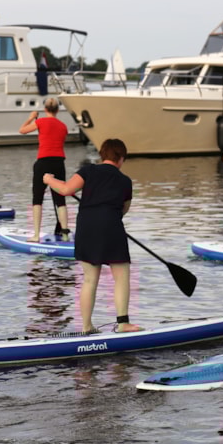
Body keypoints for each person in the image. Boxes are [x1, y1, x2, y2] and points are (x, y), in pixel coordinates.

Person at [43, 138, 141, 334]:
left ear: (102, 155)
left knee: (89, 279)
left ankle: (87, 327)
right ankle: (123, 324)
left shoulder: (88, 171)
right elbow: (124, 209)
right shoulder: (125, 181)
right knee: (121, 277)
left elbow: (65, 189)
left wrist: (48, 180)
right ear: (121, 158)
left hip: (87, 227)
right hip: (112, 226)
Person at [19, 97, 69, 242]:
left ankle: (36, 235)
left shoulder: (40, 122)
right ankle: (65, 234)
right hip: (59, 163)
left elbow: (22, 130)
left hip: (43, 162)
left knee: (37, 198)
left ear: (45, 109)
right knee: (60, 199)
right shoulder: (63, 126)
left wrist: (31, 118)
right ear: (57, 110)